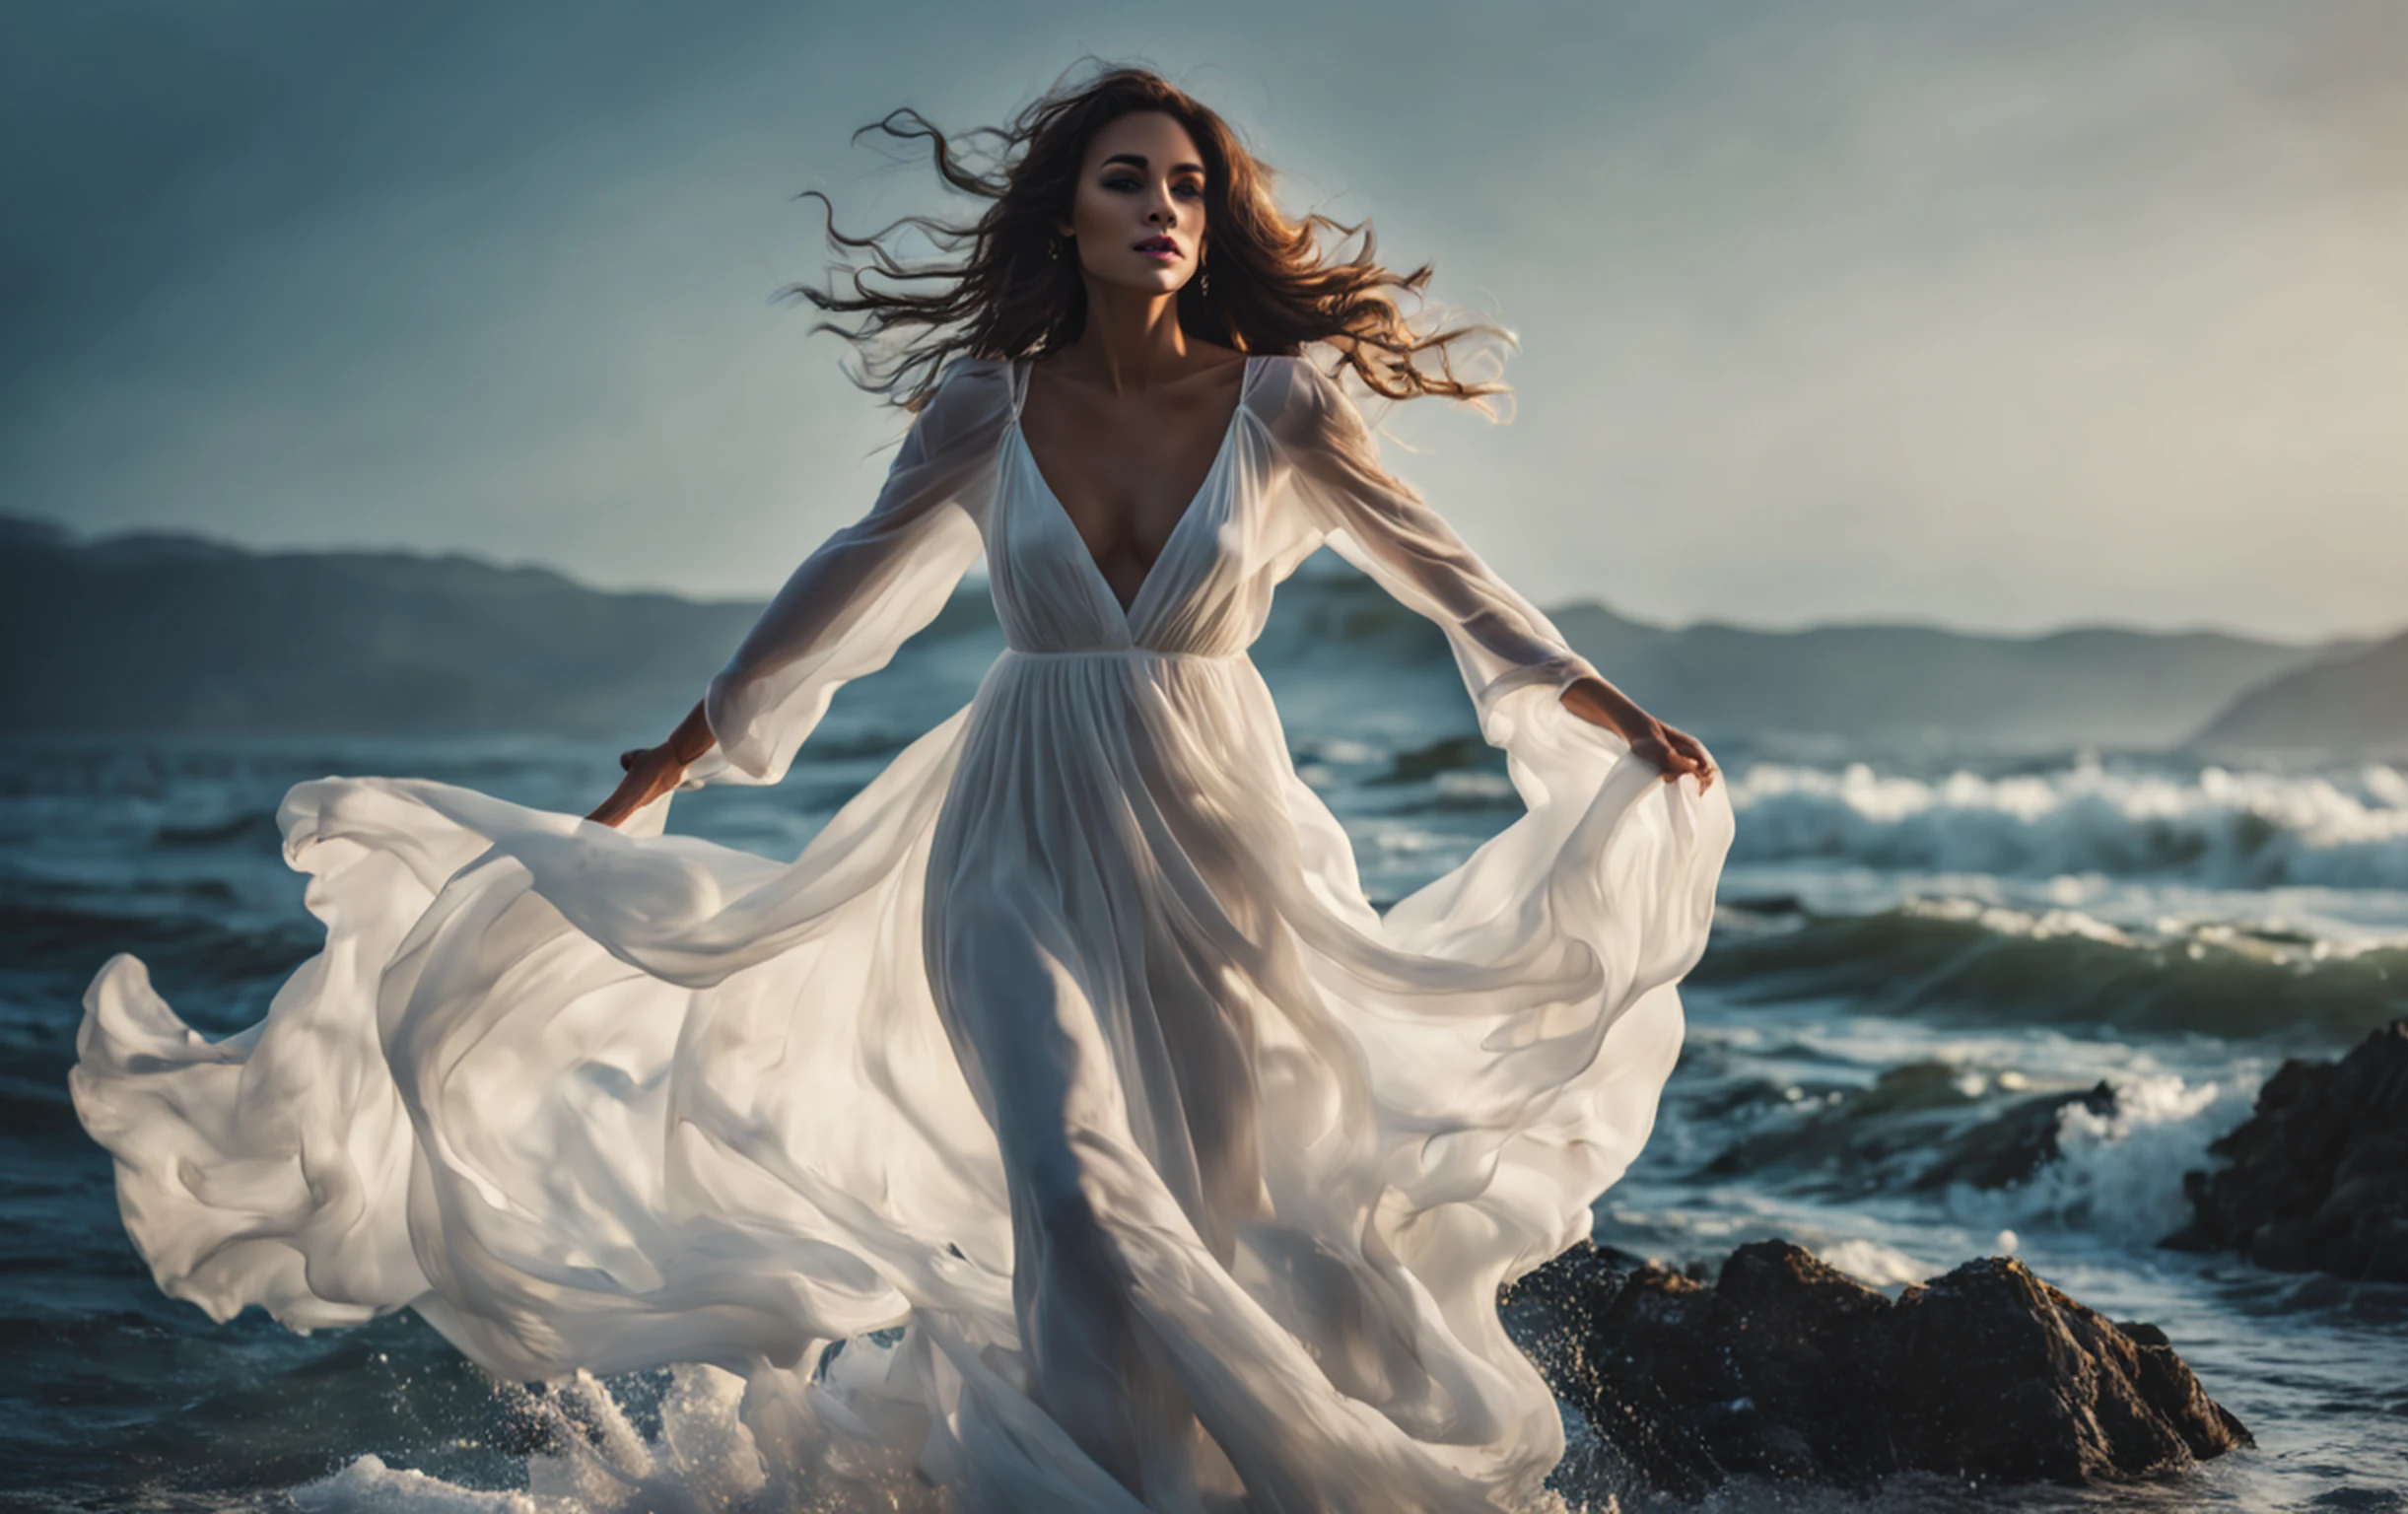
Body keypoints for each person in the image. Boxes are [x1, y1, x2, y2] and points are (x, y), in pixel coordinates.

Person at [71, 62, 1734, 1513]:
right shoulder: (985, 406)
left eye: (1190, 186)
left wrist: (1609, 711)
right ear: (1065, 215)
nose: (1165, 207)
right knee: (1074, 1181)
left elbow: (1453, 579)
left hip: (1222, 850)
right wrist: (678, 754)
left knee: (1214, 1209)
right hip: (1009, 831)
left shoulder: (1282, 402)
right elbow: (844, 585)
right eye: (1128, 179)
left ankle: (1184, 1484)